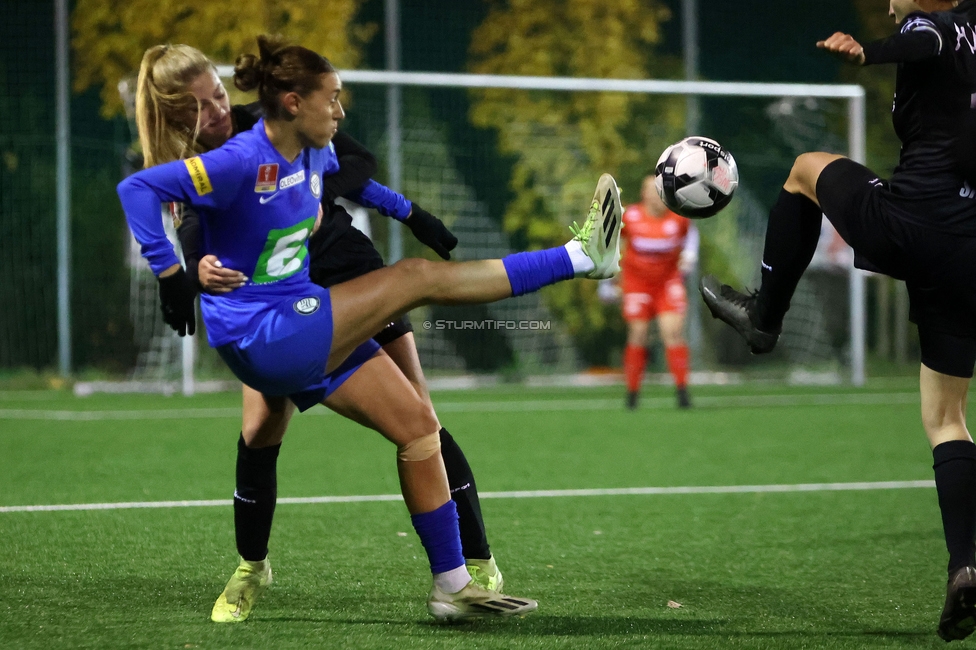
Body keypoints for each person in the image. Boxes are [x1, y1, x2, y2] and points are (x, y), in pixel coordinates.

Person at [120, 35, 623, 621]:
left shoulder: (291, 138)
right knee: (410, 283)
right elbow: (151, 196)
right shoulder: (226, 160)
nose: (218, 112)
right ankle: (580, 258)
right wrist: (178, 274)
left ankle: (457, 581)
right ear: (292, 101)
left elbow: (350, 173)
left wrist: (411, 212)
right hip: (270, 324)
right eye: (330, 98)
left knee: (417, 425)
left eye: (218, 96)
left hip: (317, 290)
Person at [697, 0, 976, 640]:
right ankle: (964, 567)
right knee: (945, 418)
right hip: (969, 247)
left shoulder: (929, 25)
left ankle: (763, 319)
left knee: (803, 172)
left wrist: (872, 50)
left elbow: (927, 41)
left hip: (918, 222)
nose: (889, 2)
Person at [614, 173, 697, 410]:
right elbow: (613, 244)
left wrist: (689, 258)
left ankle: (682, 392)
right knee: (638, 334)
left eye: (659, 190)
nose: (655, 195)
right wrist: (611, 279)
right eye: (650, 190)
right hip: (637, 283)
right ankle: (632, 394)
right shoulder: (630, 216)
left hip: (667, 283)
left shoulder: (678, 218)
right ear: (643, 194)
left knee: (672, 332)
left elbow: (690, 237)